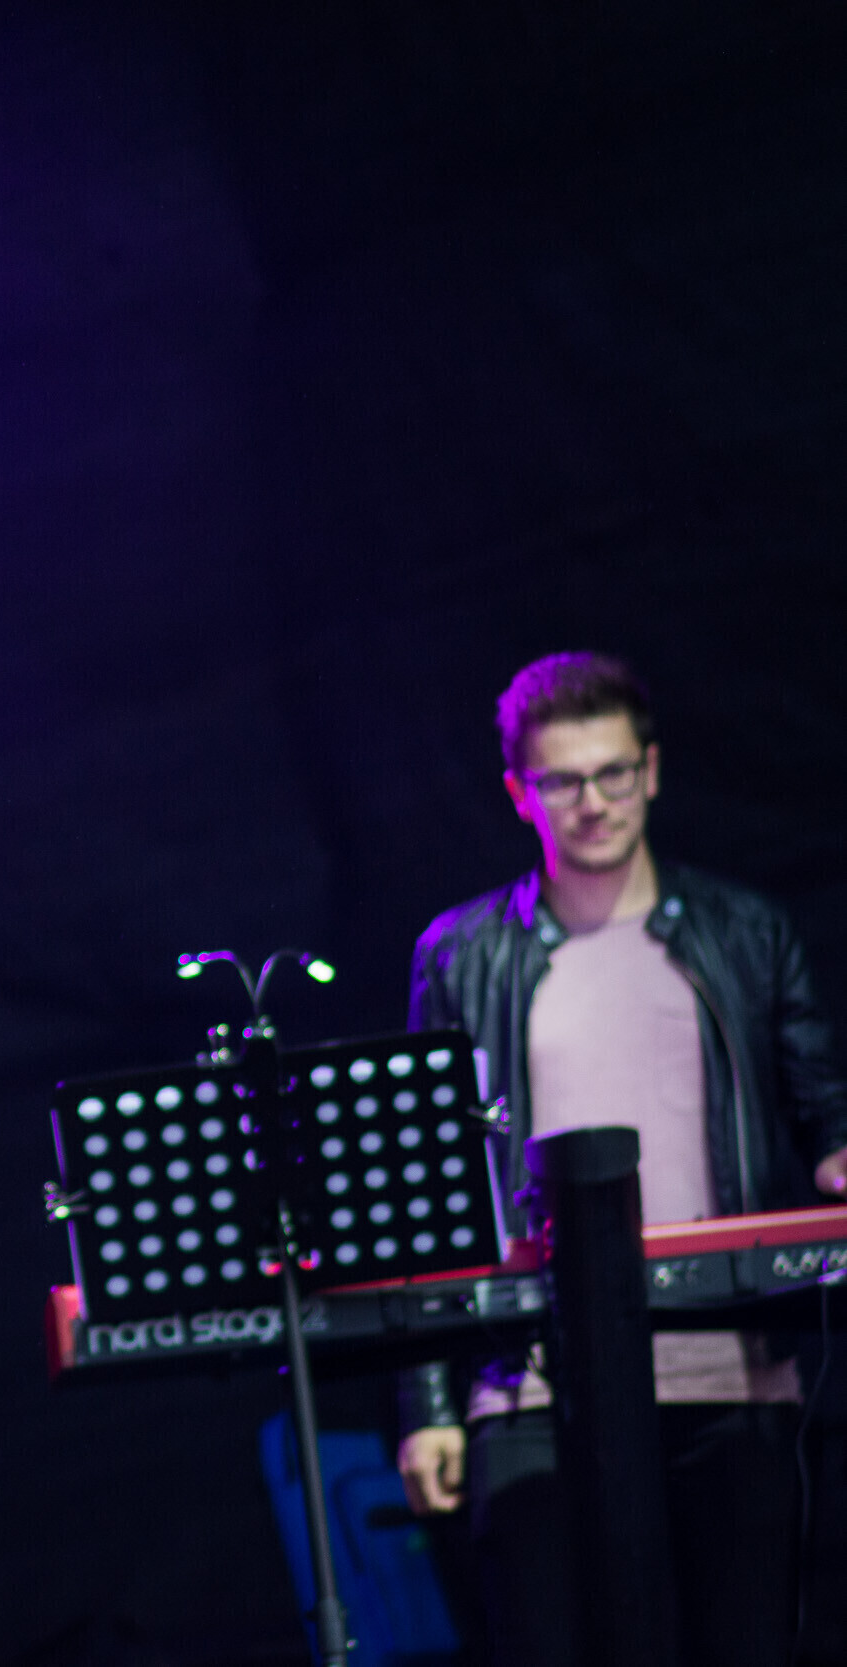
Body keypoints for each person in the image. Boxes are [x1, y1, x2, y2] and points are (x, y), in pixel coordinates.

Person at [393, 651, 847, 1667]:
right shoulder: (461, 953)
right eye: (561, 780)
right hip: (531, 1385)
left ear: (652, 769)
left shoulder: (745, 931)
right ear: (519, 792)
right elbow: (429, 1186)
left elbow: (825, 1111)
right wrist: (427, 1405)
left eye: (611, 772)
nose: (592, 802)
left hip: (730, 1379)